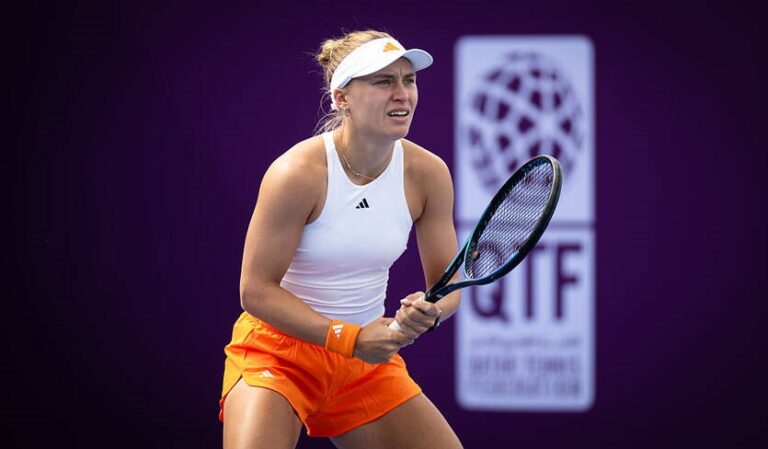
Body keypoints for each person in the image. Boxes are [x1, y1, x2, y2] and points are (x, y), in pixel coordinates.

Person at [219, 29, 464, 449]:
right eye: (383, 81)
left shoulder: (428, 173)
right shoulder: (297, 173)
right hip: (279, 354)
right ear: (341, 98)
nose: (402, 94)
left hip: (364, 362)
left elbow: (448, 283)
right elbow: (255, 290)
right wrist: (348, 339)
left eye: (409, 80)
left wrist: (430, 311)